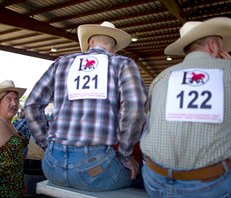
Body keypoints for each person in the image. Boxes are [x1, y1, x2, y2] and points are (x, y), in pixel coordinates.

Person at [24, 21, 148, 191]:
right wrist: (126, 156)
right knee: (140, 176)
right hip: (96, 169)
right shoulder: (122, 64)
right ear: (114, 48)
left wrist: (47, 143)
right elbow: (134, 109)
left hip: (52, 166)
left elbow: (31, 105)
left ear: (90, 43)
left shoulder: (61, 62)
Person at [140, 17, 231, 197]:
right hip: (209, 185)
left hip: (154, 180)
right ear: (213, 46)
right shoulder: (227, 70)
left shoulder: (161, 77)